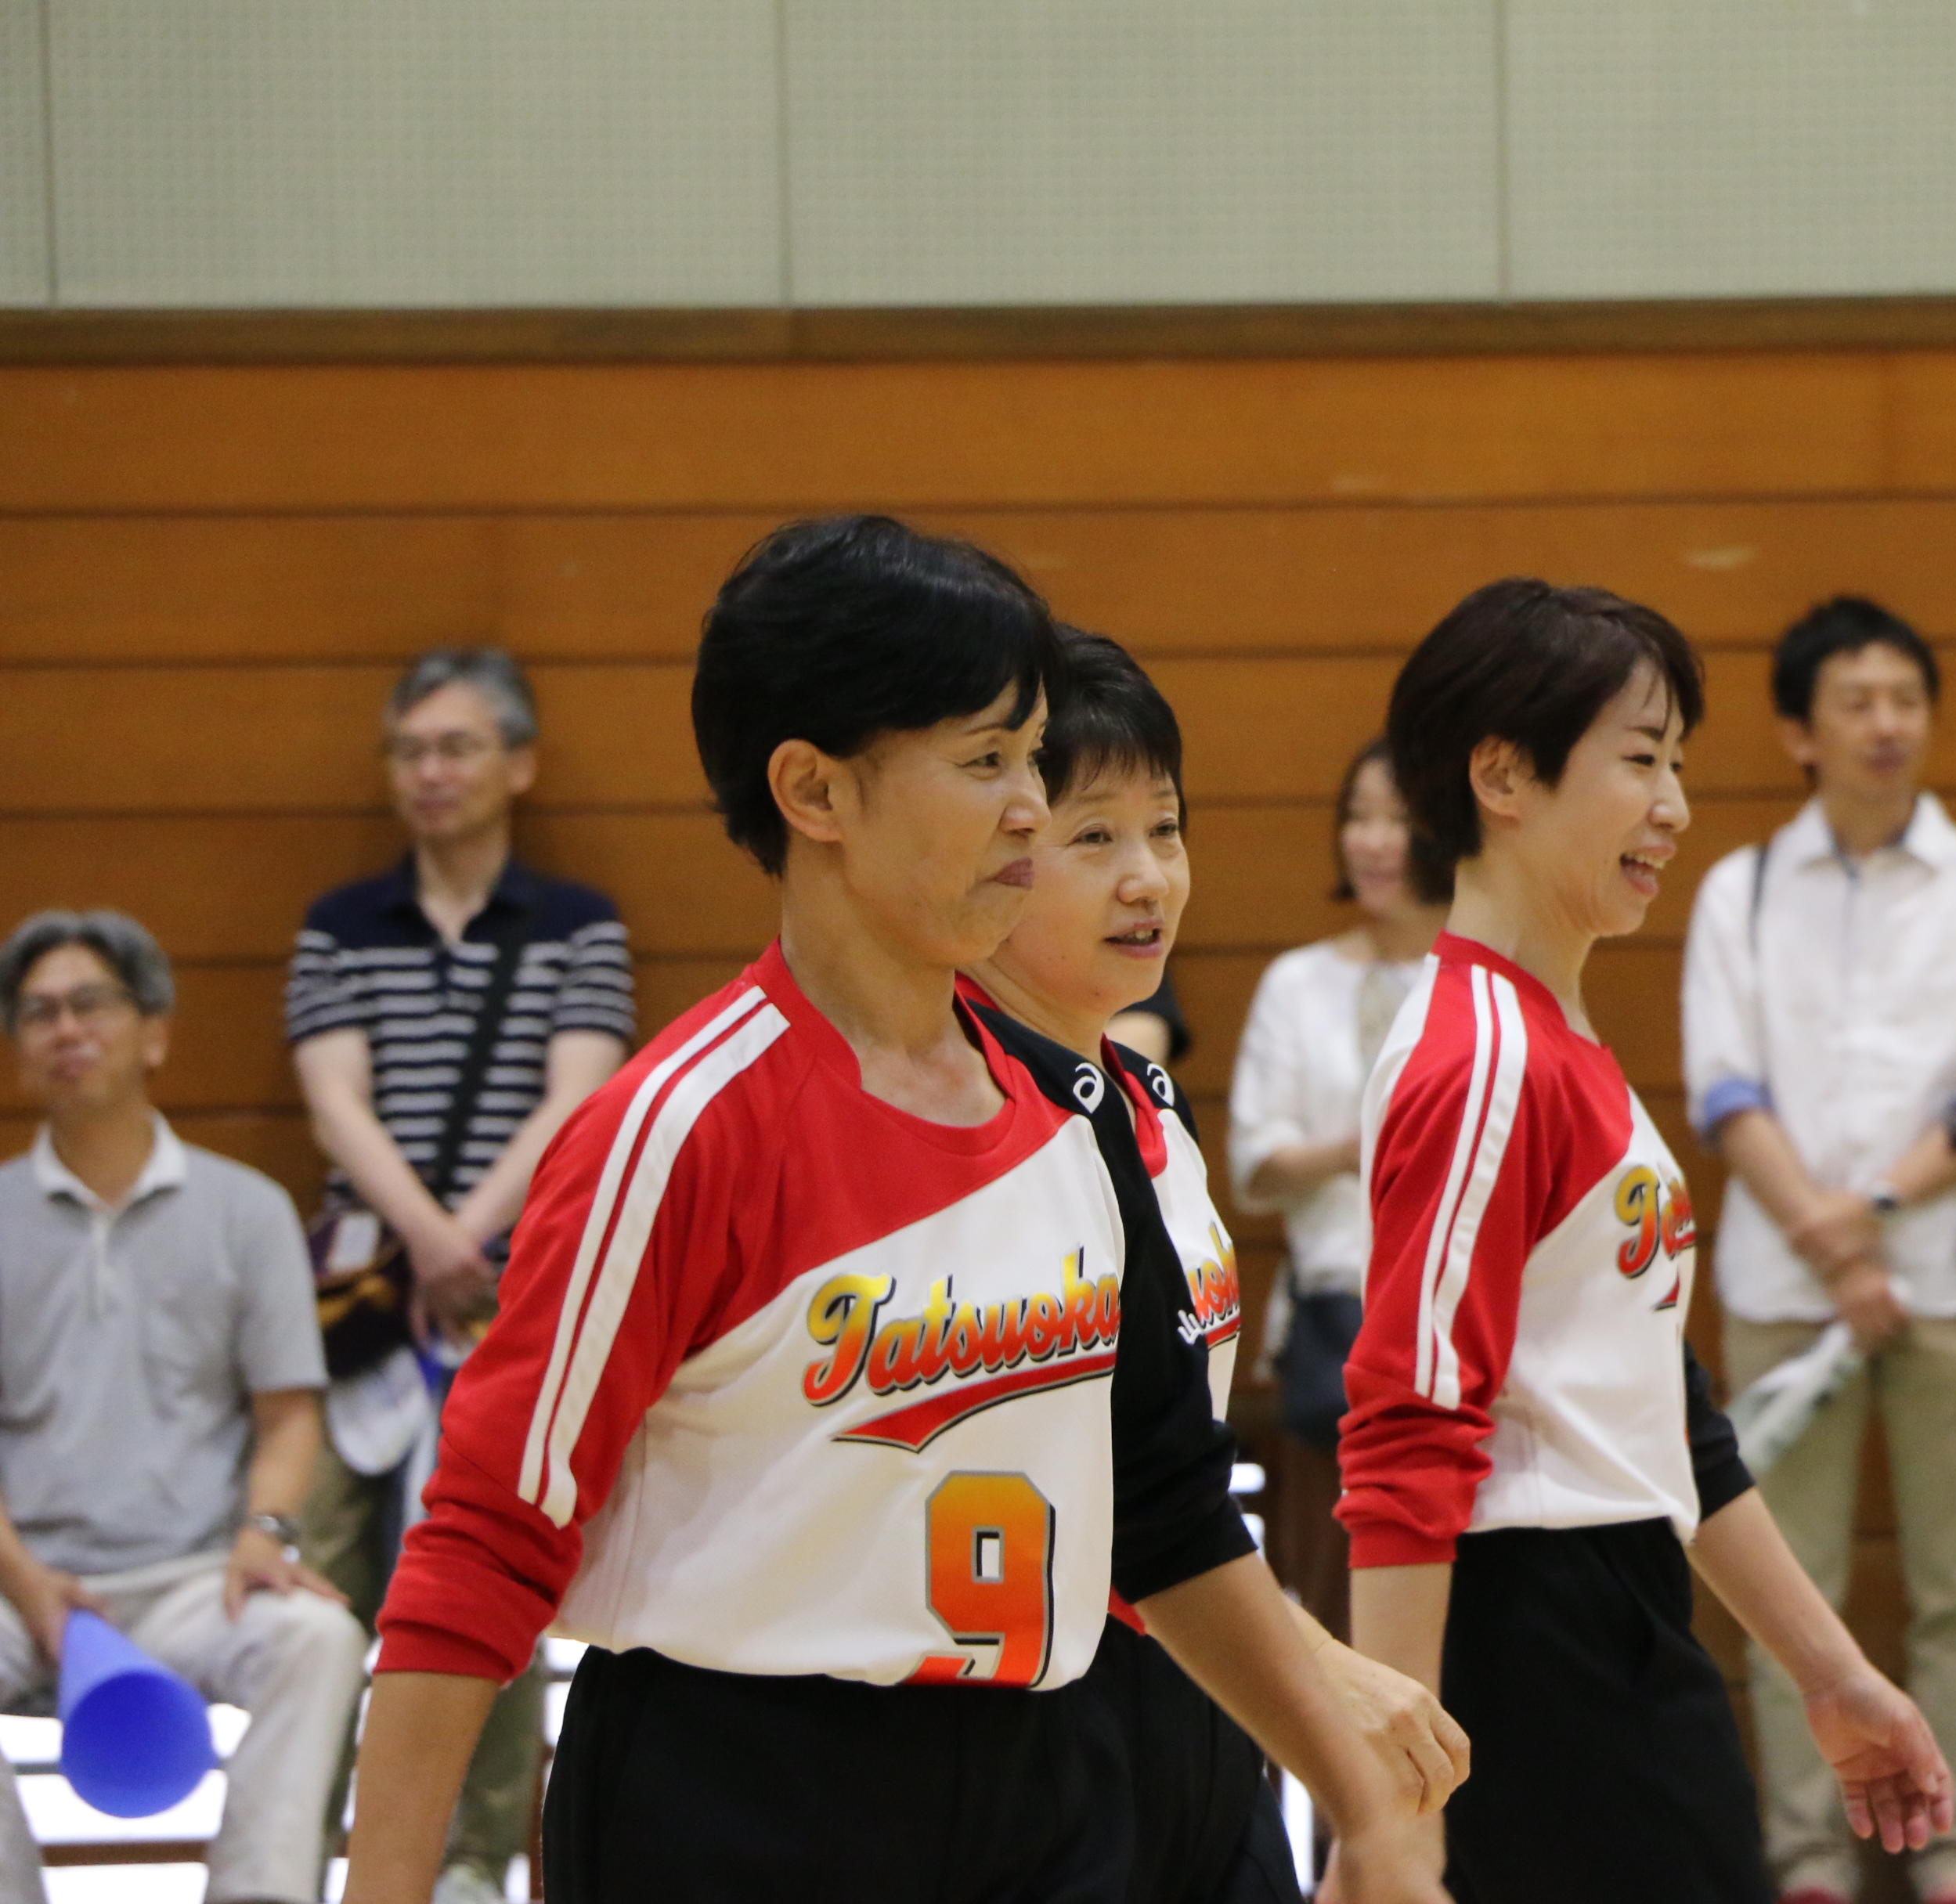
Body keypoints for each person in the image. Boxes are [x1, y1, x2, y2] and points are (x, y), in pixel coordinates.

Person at [341, 516, 1442, 1904]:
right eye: (986, 762)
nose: (1030, 807)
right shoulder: (680, 1129)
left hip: (1041, 1783)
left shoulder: (1085, 1114)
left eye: (1032, 757)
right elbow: (484, 1544)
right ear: (813, 789)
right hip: (743, 1795)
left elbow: (1166, 1513)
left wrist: (1365, 1815)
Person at [1337, 578, 1955, 1904]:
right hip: (1528, 1639)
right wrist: (1387, 1817)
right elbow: (1406, 1428)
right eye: (1639, 760)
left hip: (1621, 1609)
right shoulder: (1482, 1060)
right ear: (1503, 775)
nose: (1673, 805)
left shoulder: (1559, 1042)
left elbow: (1665, 1413)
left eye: (1678, 764)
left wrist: (1831, 1673)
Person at [964, 631, 1467, 1902]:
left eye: (1166, 829)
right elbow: (1086, 1489)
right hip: (1022, 1732)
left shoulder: (1148, 1102)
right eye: (1095, 837)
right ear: (995, 849)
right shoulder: (958, 1121)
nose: (1149, 878)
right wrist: (1317, 1669)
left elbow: (1166, 1467)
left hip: (1193, 1708)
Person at [1680, 597, 1956, 1904]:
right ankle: (1809, 1860)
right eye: (1856, 702)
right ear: (1800, 731)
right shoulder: (1740, 888)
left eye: (1906, 699)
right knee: (1791, 1589)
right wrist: (1831, 1248)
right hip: (1782, 1289)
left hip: (1944, 1284)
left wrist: (1875, 1214)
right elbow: (1723, 1089)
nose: (1887, 724)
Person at [287, 647, 634, 1902]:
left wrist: (471, 1240)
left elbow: (579, 1096)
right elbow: (335, 1107)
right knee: (323, 1576)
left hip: (518, 1297)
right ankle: (318, 1855)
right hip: (362, 1310)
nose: (428, 773)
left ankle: (480, 1860)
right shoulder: (340, 924)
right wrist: (430, 1240)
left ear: (518, 765)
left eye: (455, 747)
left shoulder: (577, 924)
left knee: (496, 1567)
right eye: (409, 752)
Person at [0, 911, 366, 1904]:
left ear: (154, 1031)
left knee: (318, 1635)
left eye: (90, 1003)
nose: (65, 1028)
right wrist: (28, 1583)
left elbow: (289, 1413)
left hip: (200, 1579)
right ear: (20, 1050)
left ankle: (256, 1894)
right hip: (23, 1583)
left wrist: (264, 1531)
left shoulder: (246, 1209)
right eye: (38, 1012)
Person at [1229, 739, 1445, 1637]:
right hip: (1338, 1322)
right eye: (1357, 816)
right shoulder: (1298, 982)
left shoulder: (1480, 980)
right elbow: (1252, 1164)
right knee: (1334, 1606)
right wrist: (1361, 1148)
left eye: (1397, 817)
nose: (1372, 840)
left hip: (1467, 1331)